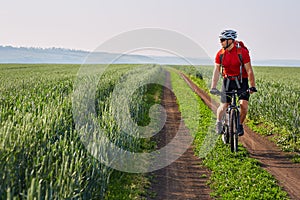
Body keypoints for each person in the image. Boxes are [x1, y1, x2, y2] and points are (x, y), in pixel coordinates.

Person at [210, 29, 257, 136]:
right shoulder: (220, 54)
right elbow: (216, 71)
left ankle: (239, 124)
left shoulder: (242, 53)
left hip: (241, 81)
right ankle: (218, 123)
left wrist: (252, 86)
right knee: (224, 105)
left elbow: (249, 70)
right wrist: (213, 86)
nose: (220, 42)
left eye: (222, 40)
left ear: (230, 40)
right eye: (220, 40)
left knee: (243, 106)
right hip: (228, 81)